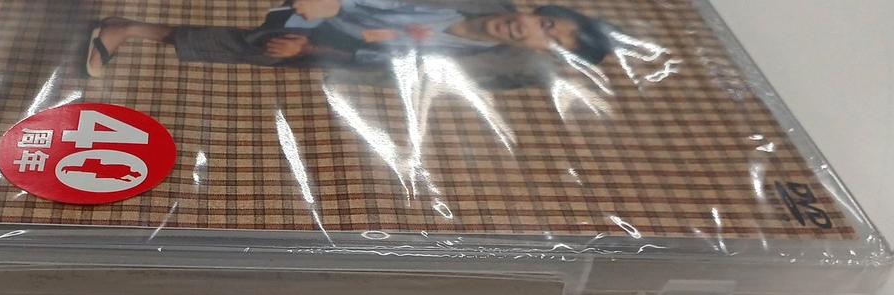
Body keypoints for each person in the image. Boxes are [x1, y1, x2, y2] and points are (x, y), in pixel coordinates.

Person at [85, 0, 616, 90]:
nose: (529, 30)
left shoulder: (471, 65)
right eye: (546, 21)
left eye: (549, 39)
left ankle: (127, 28)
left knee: (264, 45)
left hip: (336, 34)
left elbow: (375, 67)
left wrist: (308, 50)